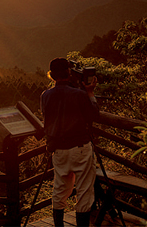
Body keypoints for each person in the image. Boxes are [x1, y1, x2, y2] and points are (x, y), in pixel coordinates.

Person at [40, 57, 100, 227]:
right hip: (81, 147)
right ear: (69, 73)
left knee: (60, 190)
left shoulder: (45, 96)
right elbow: (94, 115)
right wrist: (90, 93)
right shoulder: (79, 94)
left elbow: (47, 119)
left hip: (58, 150)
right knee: (84, 191)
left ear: (51, 75)